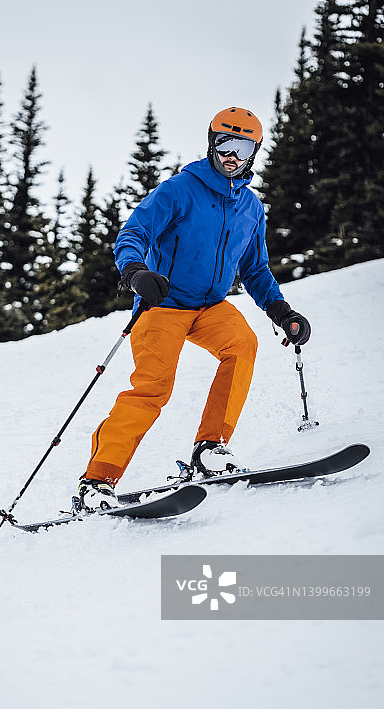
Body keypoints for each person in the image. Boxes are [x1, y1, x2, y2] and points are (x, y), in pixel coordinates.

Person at [77, 107, 311, 511]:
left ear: (254, 151)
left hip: (211, 307)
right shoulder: (179, 190)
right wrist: (135, 273)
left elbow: (254, 268)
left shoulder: (251, 208)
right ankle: (97, 482)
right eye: (224, 142)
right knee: (152, 389)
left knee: (242, 344)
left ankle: (210, 448)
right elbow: (133, 233)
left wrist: (280, 309)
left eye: (242, 146)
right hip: (163, 304)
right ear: (211, 143)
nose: (231, 154)